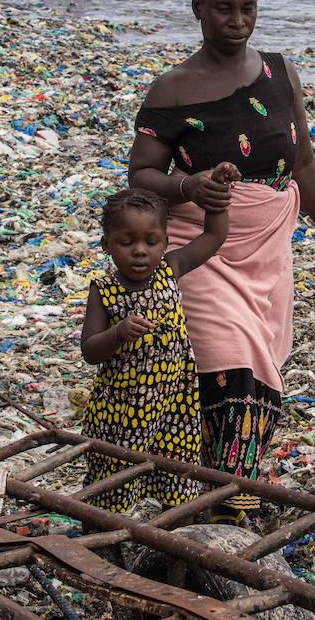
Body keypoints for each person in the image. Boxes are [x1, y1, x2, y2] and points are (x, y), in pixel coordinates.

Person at [129, 0, 315, 524]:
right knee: (234, 368)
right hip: (201, 244)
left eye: (248, 9)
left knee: (255, 372)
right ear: (198, 8)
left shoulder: (281, 74)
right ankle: (232, 509)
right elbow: (141, 176)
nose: (238, 21)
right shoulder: (173, 88)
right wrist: (190, 185)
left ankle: (215, 495)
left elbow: (302, 163)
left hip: (268, 250)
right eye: (224, 9)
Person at [80, 169, 238, 513]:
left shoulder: (171, 269)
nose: (140, 251)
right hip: (123, 411)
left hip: (175, 405)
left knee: (178, 480)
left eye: (151, 242)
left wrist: (219, 189)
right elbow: (90, 350)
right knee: (114, 483)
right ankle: (101, 546)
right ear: (107, 243)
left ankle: (173, 547)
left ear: (166, 242)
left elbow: (215, 234)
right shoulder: (104, 291)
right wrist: (118, 332)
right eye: (127, 242)